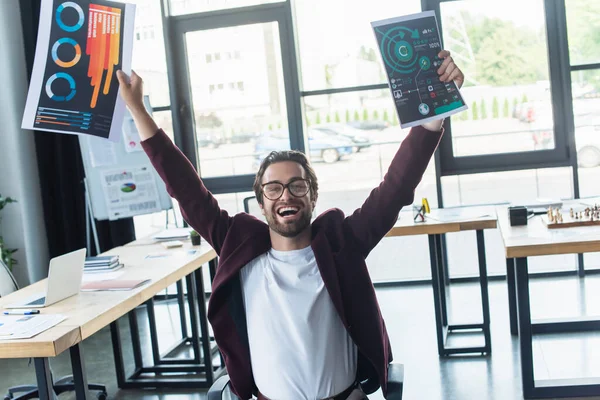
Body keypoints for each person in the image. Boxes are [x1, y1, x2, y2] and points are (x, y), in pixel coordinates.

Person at [116, 50, 464, 400]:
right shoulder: (239, 248)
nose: (286, 195)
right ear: (262, 201)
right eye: (273, 187)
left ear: (313, 196)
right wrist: (137, 109)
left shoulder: (342, 243)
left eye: (297, 186)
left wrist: (436, 112)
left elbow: (395, 188)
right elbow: (187, 190)